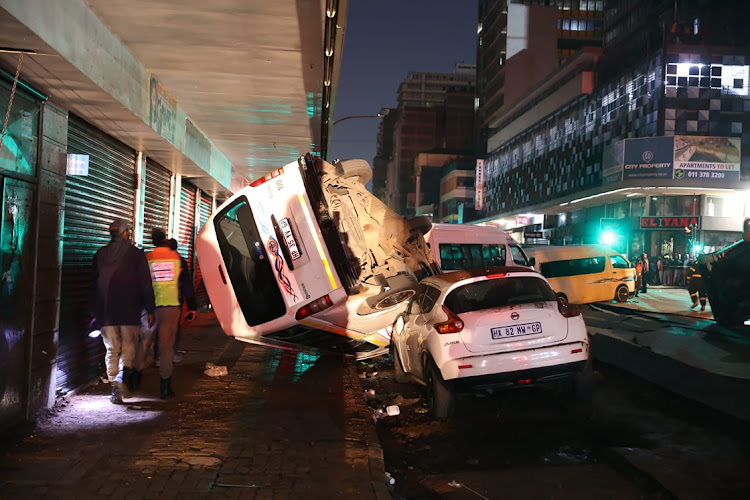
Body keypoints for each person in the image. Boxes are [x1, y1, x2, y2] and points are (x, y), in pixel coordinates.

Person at [91, 219, 155, 404]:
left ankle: (114, 386)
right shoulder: (136, 254)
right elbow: (145, 284)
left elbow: (93, 284)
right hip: (129, 313)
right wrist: (150, 309)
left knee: (111, 349)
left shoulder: (100, 254)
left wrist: (94, 311)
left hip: (106, 313)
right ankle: (120, 380)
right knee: (128, 349)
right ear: (126, 233)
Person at [146, 228, 196, 399]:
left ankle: (130, 381)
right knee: (167, 345)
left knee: (140, 344)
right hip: (171, 304)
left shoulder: (147, 258)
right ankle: (165, 387)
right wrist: (193, 305)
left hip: (149, 308)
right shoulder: (177, 258)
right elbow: (187, 284)